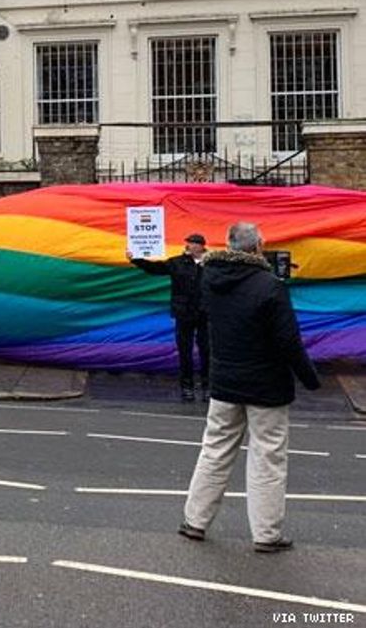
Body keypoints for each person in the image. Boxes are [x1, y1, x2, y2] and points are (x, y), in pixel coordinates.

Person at [180, 222, 320, 554]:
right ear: (259, 245)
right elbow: (288, 340)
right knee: (268, 457)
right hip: (266, 386)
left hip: (224, 381)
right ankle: (266, 534)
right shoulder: (270, 286)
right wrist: (310, 378)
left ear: (228, 245)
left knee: (214, 450)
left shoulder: (211, 281)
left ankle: (194, 521)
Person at [128, 232, 211, 402]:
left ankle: (207, 386)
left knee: (207, 351)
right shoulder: (177, 263)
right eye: (188, 242)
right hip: (183, 313)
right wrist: (135, 259)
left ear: (202, 246)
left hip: (204, 313)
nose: (190, 246)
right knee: (184, 352)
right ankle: (187, 387)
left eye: (194, 243)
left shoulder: (211, 264)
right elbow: (156, 268)